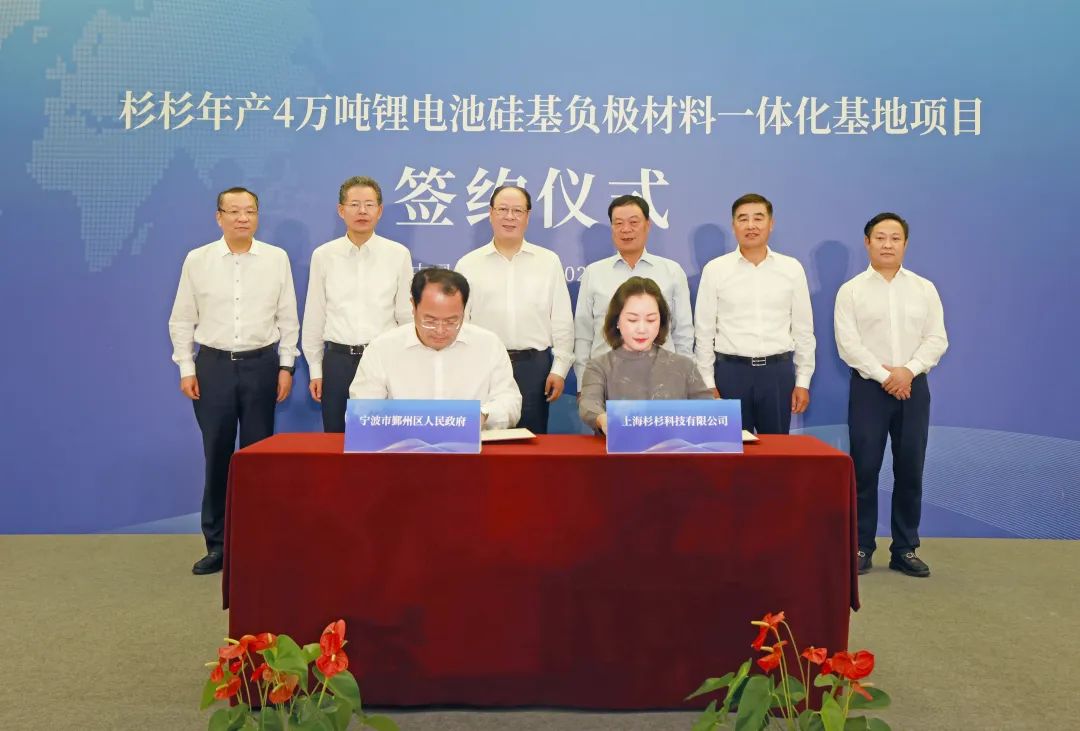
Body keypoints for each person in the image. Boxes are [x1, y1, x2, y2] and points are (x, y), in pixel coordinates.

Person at [168, 187, 299, 575]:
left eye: (250, 211)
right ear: (219, 217)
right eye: (234, 211)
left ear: (258, 216)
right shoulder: (198, 260)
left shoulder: (276, 258)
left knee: (258, 459)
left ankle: (257, 544)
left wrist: (286, 367)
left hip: (262, 366)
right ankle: (218, 545)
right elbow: (182, 318)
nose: (243, 218)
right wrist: (186, 367)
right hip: (213, 367)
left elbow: (288, 317)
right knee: (218, 456)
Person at [835, 212, 948, 578]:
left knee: (910, 468)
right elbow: (848, 345)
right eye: (880, 237)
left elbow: (937, 339)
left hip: (913, 387)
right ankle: (861, 545)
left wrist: (907, 371)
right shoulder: (851, 290)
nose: (887, 244)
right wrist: (887, 376)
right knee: (864, 469)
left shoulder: (924, 289)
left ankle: (905, 548)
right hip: (869, 389)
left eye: (895, 238)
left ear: (905, 244)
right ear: (867, 242)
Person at [454, 185, 573, 433]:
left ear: (527, 216)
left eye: (517, 211)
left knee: (531, 439)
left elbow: (561, 320)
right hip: (484, 365)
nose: (510, 217)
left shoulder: (548, 261)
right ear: (490, 213)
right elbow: (460, 322)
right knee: (484, 436)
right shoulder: (468, 264)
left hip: (534, 368)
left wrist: (560, 369)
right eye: (503, 209)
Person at [694, 193, 815, 434]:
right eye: (743, 219)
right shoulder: (715, 270)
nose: (751, 225)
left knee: (777, 450)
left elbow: (803, 330)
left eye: (758, 218)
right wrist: (708, 383)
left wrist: (803, 381)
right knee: (731, 449)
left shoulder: (791, 268)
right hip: (730, 374)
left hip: (777, 374)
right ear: (733, 226)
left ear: (771, 223)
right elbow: (704, 333)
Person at [302, 176, 413, 432]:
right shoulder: (324, 255)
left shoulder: (398, 254)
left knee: (382, 438)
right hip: (337, 361)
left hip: (382, 360)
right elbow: (315, 315)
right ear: (341, 210)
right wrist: (316, 369)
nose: (362, 211)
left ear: (380, 210)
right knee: (336, 439)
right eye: (354, 204)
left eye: (369, 205)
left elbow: (406, 316)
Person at [349, 267, 521, 430]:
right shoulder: (382, 349)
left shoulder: (488, 345)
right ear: (413, 306)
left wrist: (483, 415)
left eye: (451, 321)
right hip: (402, 447)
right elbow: (362, 410)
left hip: (474, 447)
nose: (440, 330)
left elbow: (509, 401)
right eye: (430, 321)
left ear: (464, 310)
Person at [574, 194, 693, 388]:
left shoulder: (671, 271)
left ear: (648, 225)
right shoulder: (594, 273)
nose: (626, 229)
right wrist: (583, 384)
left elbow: (683, 332)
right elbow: (583, 333)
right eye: (618, 223)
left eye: (633, 222)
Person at [579, 277, 712, 433]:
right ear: (617, 321)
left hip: (674, 447)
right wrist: (602, 419)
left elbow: (708, 408)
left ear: (661, 321)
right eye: (632, 320)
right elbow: (589, 403)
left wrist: (720, 410)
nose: (642, 329)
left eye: (650, 320)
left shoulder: (684, 366)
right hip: (620, 447)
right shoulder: (599, 366)